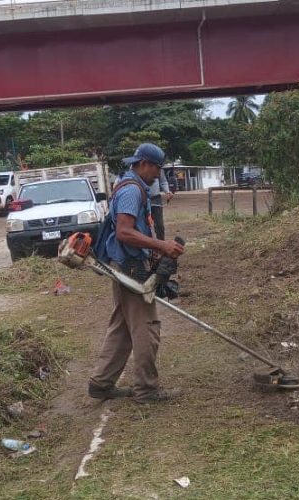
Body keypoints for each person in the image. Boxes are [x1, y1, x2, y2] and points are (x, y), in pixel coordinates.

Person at [88, 143, 186, 404]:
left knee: (122, 327)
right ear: (144, 163)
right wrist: (161, 245)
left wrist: (154, 251)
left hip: (122, 265)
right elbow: (124, 232)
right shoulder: (132, 190)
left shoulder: (128, 185)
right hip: (130, 269)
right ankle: (147, 390)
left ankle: (101, 383)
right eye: (157, 168)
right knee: (146, 327)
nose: (158, 175)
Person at [148, 165, 174, 240]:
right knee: (144, 225)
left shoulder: (159, 168)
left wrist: (167, 191)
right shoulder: (139, 166)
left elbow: (163, 181)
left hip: (156, 199)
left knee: (159, 225)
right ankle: (148, 248)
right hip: (143, 199)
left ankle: (161, 244)